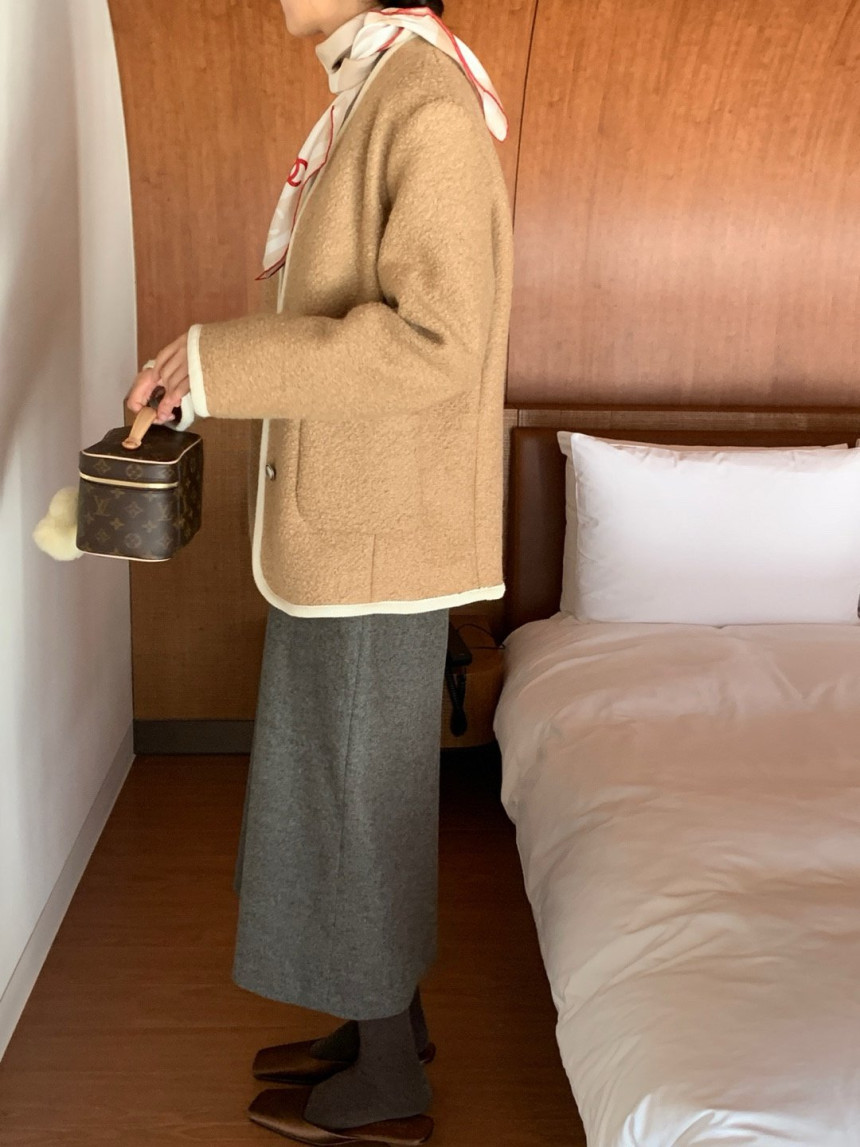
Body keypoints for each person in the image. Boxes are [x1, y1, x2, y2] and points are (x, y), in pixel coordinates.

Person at [125, 2, 513, 1143]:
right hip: (351, 528)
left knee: (353, 800)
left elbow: (436, 343)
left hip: (375, 537)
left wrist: (215, 358)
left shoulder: (423, 106)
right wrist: (203, 367)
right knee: (347, 792)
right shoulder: (383, 89)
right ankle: (383, 1023)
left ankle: (390, 1081)